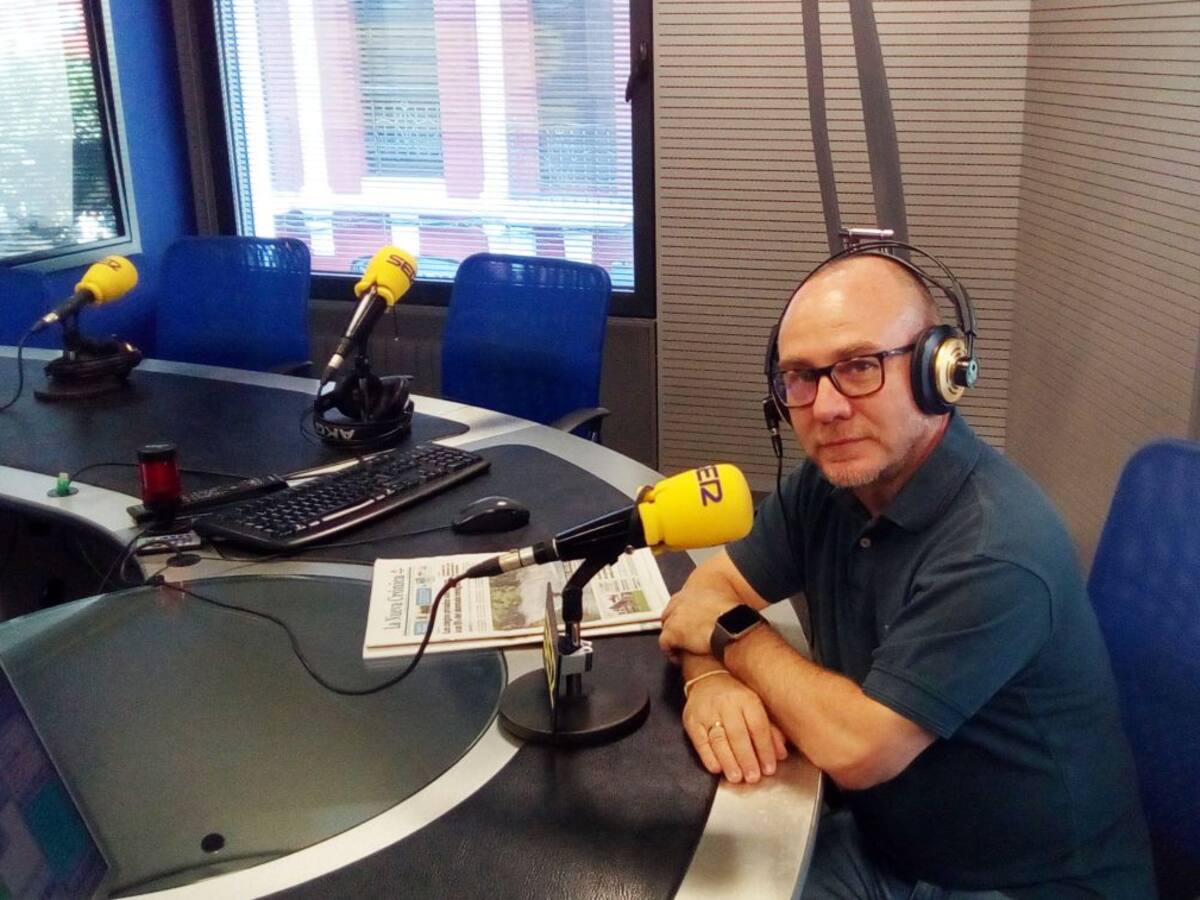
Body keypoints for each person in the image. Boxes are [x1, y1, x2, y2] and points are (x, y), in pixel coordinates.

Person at [658, 251, 1154, 898]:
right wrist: (710, 681)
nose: (826, 406)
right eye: (800, 378)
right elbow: (704, 596)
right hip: (889, 846)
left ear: (938, 370)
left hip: (1024, 886)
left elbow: (859, 748)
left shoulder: (996, 546)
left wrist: (733, 638)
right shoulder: (827, 486)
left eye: (859, 366)